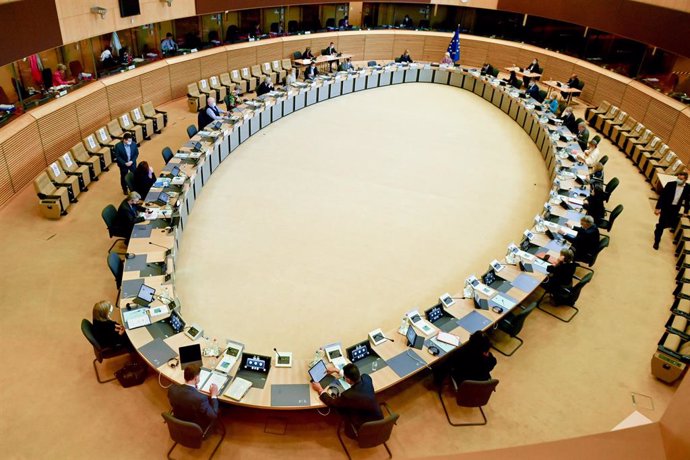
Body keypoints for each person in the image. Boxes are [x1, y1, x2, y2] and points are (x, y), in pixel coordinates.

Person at [310, 363, 383, 439]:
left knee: (340, 409)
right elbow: (357, 378)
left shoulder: (348, 395)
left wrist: (320, 390)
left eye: (345, 377)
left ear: (348, 379)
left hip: (364, 427)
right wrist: (337, 371)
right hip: (379, 420)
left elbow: (332, 403)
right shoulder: (367, 378)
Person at [168, 363, 219, 432]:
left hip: (179, 420)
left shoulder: (172, 389)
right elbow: (213, 416)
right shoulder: (201, 398)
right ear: (196, 378)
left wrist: (194, 391)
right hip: (195, 427)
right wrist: (213, 395)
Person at [654, 171, 690, 250]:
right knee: (662, 224)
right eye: (678, 178)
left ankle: (659, 226)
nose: (678, 180)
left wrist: (686, 211)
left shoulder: (688, 188)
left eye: (681, 179)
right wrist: (658, 208)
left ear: (685, 180)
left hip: (675, 209)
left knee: (671, 224)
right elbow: (662, 196)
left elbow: (688, 200)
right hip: (666, 207)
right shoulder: (670, 184)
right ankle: (657, 242)